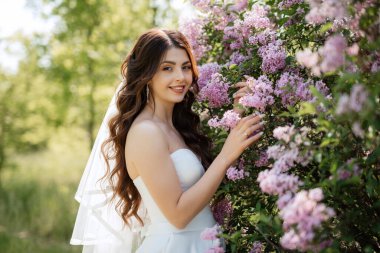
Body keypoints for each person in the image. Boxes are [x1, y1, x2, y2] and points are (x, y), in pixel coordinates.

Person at [70, 28, 265, 253]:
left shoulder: (176, 127)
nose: (180, 77)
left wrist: (236, 115)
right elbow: (178, 215)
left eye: (185, 67)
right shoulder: (146, 132)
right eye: (167, 68)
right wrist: (227, 155)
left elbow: (202, 184)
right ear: (147, 74)